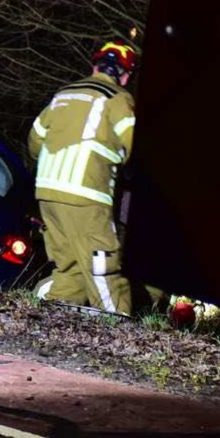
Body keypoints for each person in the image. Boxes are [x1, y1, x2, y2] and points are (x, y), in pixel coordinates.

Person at [28, 40, 139, 315]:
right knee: (103, 267)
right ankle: (118, 327)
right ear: (125, 75)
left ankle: (36, 309)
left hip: (47, 194)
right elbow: (133, 145)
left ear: (94, 65)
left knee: (71, 270)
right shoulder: (118, 99)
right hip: (87, 195)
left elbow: (34, 141)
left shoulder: (63, 94)